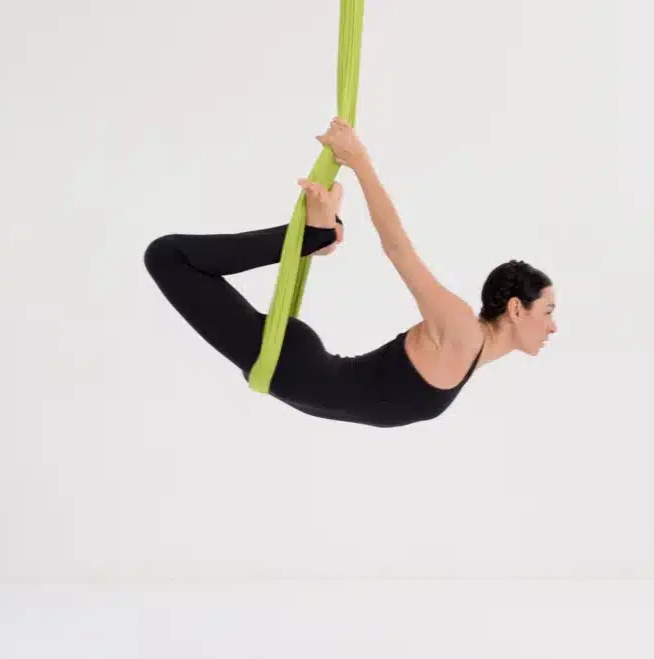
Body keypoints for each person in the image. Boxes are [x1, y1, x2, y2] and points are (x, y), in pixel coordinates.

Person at [144, 118, 556, 427]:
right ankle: (313, 236)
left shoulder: (473, 353)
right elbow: (398, 249)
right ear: (516, 309)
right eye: (548, 310)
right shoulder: (462, 329)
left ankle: (317, 236)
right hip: (291, 369)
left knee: (170, 258)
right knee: (166, 255)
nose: (553, 326)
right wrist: (359, 161)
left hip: (293, 372)